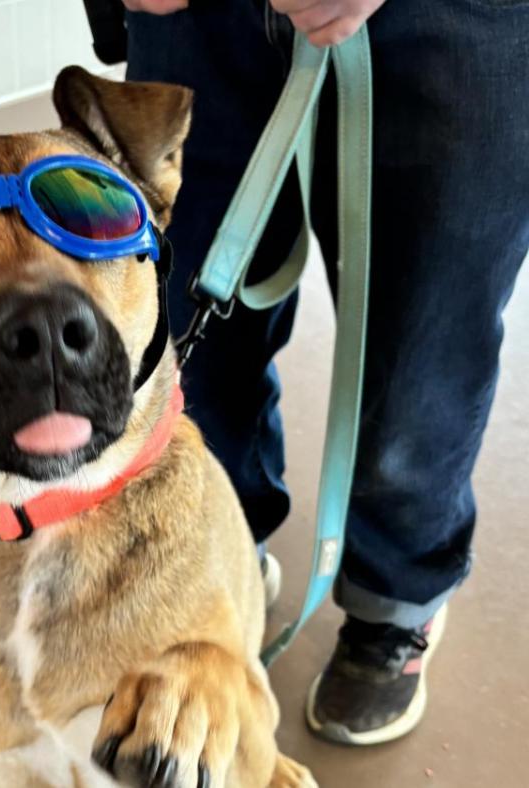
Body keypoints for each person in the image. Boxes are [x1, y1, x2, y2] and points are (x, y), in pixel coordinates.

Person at [121, 0, 529, 745]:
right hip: (196, 20)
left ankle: (394, 602)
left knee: (424, 346)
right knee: (188, 334)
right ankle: (218, 553)